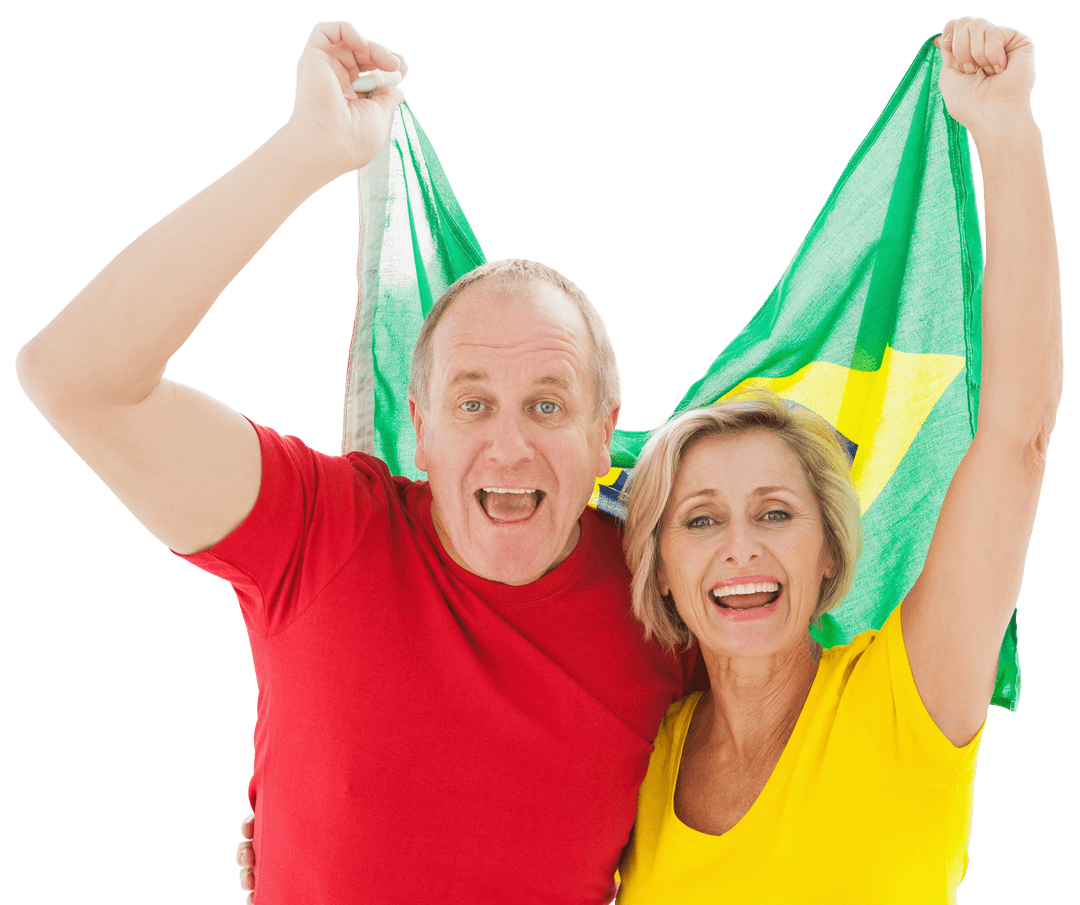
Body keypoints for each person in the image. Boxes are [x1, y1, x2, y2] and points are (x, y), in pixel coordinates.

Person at [13, 21, 699, 905]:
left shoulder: (669, 606)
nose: (509, 443)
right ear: (418, 426)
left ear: (606, 433)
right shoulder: (322, 527)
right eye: (471, 402)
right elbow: (76, 378)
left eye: (548, 404)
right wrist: (309, 150)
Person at [615, 17, 1061, 902]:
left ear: (830, 550)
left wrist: (1006, 132)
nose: (740, 547)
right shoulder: (647, 752)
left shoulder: (906, 697)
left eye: (776, 512)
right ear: (661, 569)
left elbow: (1017, 434)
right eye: (701, 519)